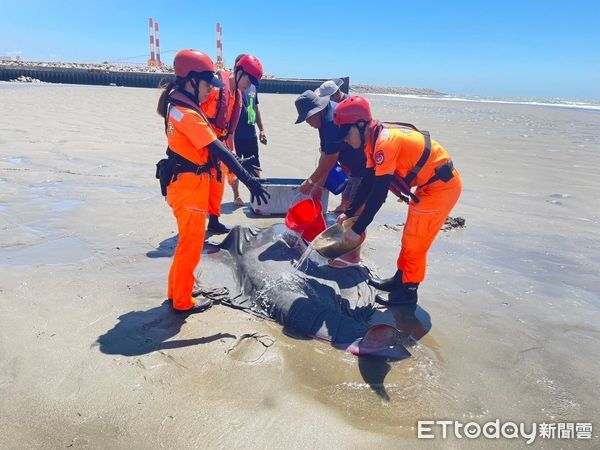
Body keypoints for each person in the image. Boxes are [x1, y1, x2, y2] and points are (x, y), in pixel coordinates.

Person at [156, 49, 269, 313]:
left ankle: (177, 291)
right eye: (207, 84)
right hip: (189, 188)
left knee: (187, 242)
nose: (210, 91)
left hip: (184, 184)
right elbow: (218, 149)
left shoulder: (178, 103)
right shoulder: (188, 113)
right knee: (191, 246)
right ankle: (182, 302)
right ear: (191, 80)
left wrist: (242, 168)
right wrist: (249, 180)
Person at [335, 96, 462, 305]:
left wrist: (357, 229)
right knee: (410, 237)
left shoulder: (385, 143)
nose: (345, 140)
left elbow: (378, 194)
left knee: (415, 243)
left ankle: (408, 293)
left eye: (346, 133)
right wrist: (349, 213)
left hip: (441, 188)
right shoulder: (372, 141)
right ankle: (399, 280)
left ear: (360, 124)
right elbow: (367, 182)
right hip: (428, 186)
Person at [201, 54, 264, 232]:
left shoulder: (237, 95)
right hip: (203, 144)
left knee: (217, 185)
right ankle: (193, 229)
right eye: (249, 80)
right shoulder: (214, 88)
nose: (249, 85)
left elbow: (229, 130)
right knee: (199, 187)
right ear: (239, 72)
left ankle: (213, 221)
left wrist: (232, 155)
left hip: (220, 146)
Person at [294, 90, 366, 210]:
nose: (307, 122)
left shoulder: (331, 121)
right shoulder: (322, 117)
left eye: (307, 118)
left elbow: (331, 158)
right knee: (348, 205)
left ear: (317, 111)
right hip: (354, 168)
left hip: (365, 166)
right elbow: (325, 153)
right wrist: (318, 186)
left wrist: (310, 182)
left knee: (356, 212)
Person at [234, 54, 267, 188]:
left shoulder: (253, 86)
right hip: (235, 134)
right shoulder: (234, 86)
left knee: (255, 165)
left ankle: (257, 193)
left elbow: (256, 108)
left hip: (250, 133)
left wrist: (262, 129)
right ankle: (237, 195)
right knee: (235, 167)